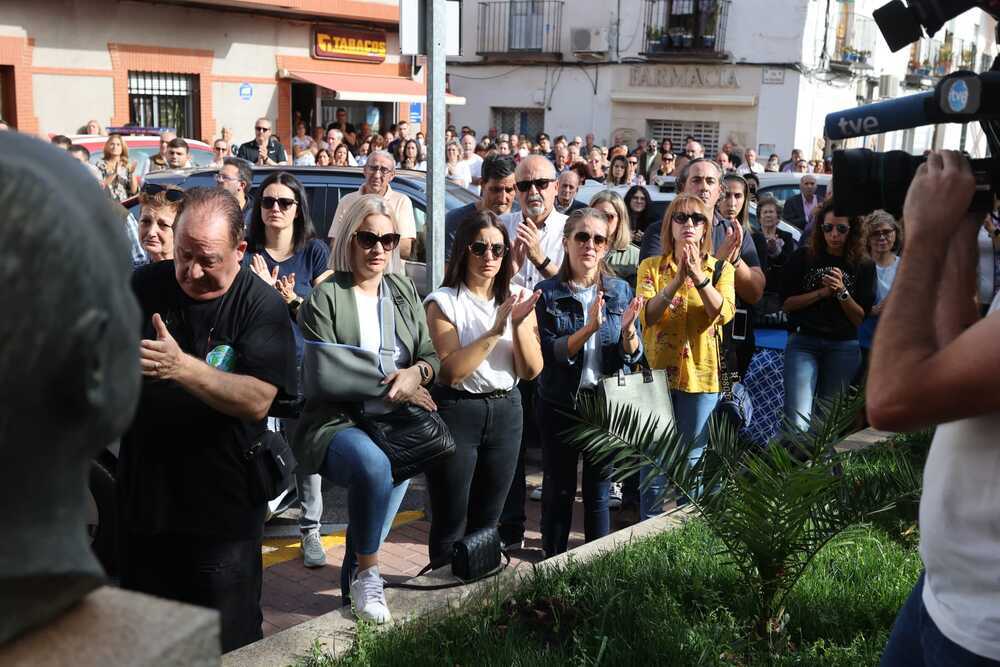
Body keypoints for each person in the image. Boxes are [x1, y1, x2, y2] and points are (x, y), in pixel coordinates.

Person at [118, 187, 297, 652]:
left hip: (222, 509)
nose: (190, 271)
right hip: (146, 496)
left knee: (227, 636)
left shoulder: (262, 307)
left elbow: (258, 398)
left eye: (207, 260)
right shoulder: (144, 286)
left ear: (240, 250)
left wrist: (181, 367)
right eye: (183, 255)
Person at [868, 150, 1000, 667]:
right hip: (945, 595)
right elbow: (958, 359)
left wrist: (921, 238)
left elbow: (893, 398)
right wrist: (961, 229)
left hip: (984, 632)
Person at [294, 194, 439, 623]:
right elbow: (327, 376)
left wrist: (419, 375)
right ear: (350, 240)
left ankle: (354, 599)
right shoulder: (326, 295)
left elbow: (431, 357)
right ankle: (371, 577)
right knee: (375, 469)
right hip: (337, 423)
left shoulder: (404, 289)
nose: (378, 248)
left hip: (395, 425)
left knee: (367, 529)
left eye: (389, 239)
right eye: (368, 238)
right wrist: (401, 385)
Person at [424, 211, 543, 564]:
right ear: (464, 250)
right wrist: (494, 331)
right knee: (450, 519)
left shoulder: (519, 295)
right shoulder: (444, 301)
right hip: (458, 411)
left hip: (507, 409)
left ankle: (475, 603)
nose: (490, 257)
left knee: (489, 521)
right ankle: (440, 603)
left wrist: (518, 325)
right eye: (480, 248)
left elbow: (531, 370)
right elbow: (451, 372)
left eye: (498, 249)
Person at [534, 208, 643, 556]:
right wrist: (588, 329)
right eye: (582, 237)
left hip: (604, 403)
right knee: (558, 491)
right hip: (560, 402)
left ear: (607, 246)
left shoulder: (620, 290)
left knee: (598, 494)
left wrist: (628, 332)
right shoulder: (547, 293)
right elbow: (549, 353)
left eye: (599, 239)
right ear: (566, 242)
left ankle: (593, 568)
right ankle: (551, 564)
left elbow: (632, 355)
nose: (590, 245)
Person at [243, 172, 331, 569]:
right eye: (268, 202)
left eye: (284, 202)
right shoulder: (246, 252)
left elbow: (326, 311)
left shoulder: (313, 253)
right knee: (249, 446)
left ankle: (310, 527)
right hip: (254, 367)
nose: (275, 209)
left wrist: (290, 295)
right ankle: (250, 521)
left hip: (302, 368)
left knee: (306, 450)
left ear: (299, 209)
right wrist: (259, 290)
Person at [635, 194, 735, 518]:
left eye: (697, 218)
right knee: (653, 460)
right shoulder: (651, 266)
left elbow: (723, 312)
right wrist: (677, 281)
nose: (689, 223)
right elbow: (647, 316)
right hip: (657, 375)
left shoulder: (722, 269)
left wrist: (700, 279)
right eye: (681, 218)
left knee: (692, 460)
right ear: (670, 226)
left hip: (701, 377)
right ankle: (645, 536)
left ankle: (684, 532)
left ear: (706, 227)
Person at [497, 155, 567, 551]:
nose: (533, 192)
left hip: (553, 351)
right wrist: (512, 264)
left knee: (554, 453)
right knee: (512, 447)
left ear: (556, 186)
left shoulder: (572, 230)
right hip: (508, 350)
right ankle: (509, 533)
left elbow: (578, 288)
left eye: (541, 183)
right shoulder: (500, 228)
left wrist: (539, 258)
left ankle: (554, 542)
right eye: (524, 186)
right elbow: (484, 287)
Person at [779, 198, 874, 434]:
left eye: (841, 229)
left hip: (843, 346)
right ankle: (793, 469)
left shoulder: (863, 265)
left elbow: (859, 318)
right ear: (820, 228)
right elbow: (787, 304)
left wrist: (841, 292)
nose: (834, 234)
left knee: (824, 427)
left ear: (852, 230)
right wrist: (822, 292)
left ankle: (819, 471)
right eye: (828, 228)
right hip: (804, 342)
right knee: (797, 421)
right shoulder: (803, 257)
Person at [328, 150, 417, 261]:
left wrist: (362, 240)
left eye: (384, 170)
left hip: (388, 275)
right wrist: (386, 240)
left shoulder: (401, 202)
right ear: (365, 170)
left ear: (392, 175)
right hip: (353, 274)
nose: (377, 175)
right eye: (373, 168)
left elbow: (405, 249)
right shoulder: (347, 201)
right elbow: (335, 244)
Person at [444, 153, 517, 262]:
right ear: (482, 184)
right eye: (496, 190)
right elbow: (449, 272)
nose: (502, 198)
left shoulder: (522, 221)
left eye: (509, 190)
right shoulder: (457, 221)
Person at [857, 210, 901, 369]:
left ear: (895, 234)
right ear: (867, 238)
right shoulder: (859, 266)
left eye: (887, 232)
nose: (882, 237)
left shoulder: (906, 266)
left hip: (896, 343)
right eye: (875, 233)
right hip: (863, 342)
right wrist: (871, 311)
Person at [755, 196, 796, 319]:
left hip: (778, 294)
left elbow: (789, 265)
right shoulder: (753, 237)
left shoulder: (787, 237)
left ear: (778, 217)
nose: (768, 215)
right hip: (758, 292)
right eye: (765, 212)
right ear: (759, 217)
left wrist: (777, 252)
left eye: (771, 212)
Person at [590, 190, 639, 285]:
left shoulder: (636, 256)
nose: (601, 220)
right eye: (596, 215)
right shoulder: (576, 248)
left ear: (620, 219)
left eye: (608, 216)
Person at [138, 184, 183, 263]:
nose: (151, 233)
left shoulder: (190, 274)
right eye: (146, 221)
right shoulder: (131, 271)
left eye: (163, 225)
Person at [96, 133, 138, 202]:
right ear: (107, 146)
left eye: (118, 144)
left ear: (122, 147)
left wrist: (132, 173)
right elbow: (100, 186)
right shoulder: (101, 164)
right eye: (112, 144)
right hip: (107, 204)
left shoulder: (126, 165)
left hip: (124, 205)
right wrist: (114, 173)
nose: (115, 147)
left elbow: (133, 191)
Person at [215, 156, 254, 227]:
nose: (219, 180)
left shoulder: (256, 213)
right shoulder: (212, 209)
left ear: (242, 185)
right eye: (218, 176)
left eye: (225, 177)